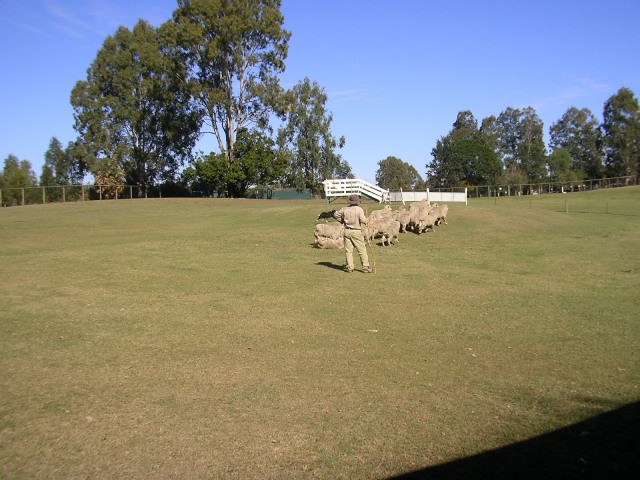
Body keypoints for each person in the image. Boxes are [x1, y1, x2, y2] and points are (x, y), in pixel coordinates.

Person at [333, 194, 372, 273]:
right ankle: (365, 267)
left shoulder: (344, 209)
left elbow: (335, 215)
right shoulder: (359, 209)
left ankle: (350, 267)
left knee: (348, 251)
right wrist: (368, 220)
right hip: (356, 231)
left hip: (347, 231)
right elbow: (363, 220)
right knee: (362, 250)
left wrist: (341, 220)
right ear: (357, 201)